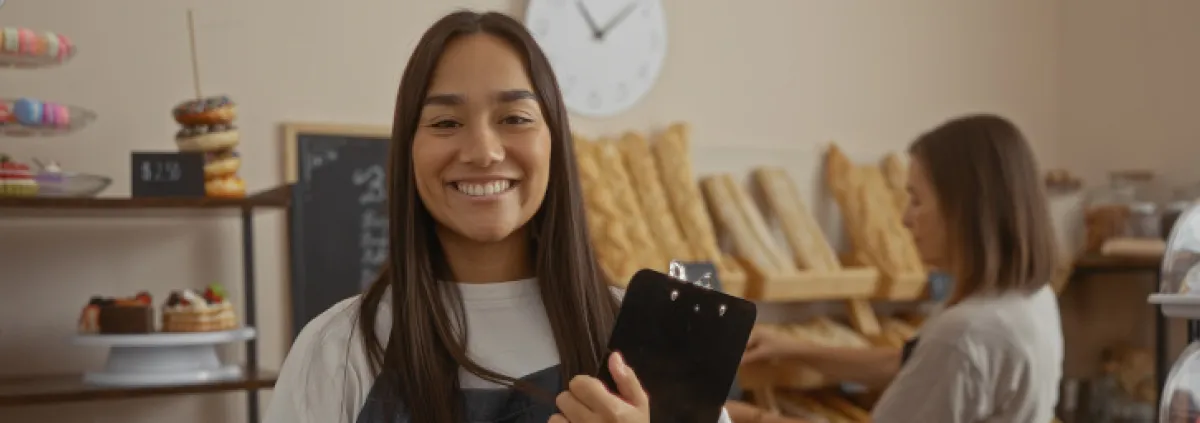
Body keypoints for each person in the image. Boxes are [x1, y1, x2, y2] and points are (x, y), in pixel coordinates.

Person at [262, 10, 732, 423]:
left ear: (555, 142)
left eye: (515, 118)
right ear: (409, 150)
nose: (483, 152)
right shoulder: (336, 352)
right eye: (446, 123)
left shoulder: (660, 343)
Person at [740, 114, 1065, 422]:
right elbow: (907, 364)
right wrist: (794, 349)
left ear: (964, 210)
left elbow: (937, 358)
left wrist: (753, 418)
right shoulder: (1031, 297)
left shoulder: (963, 334)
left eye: (917, 200)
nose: (906, 218)